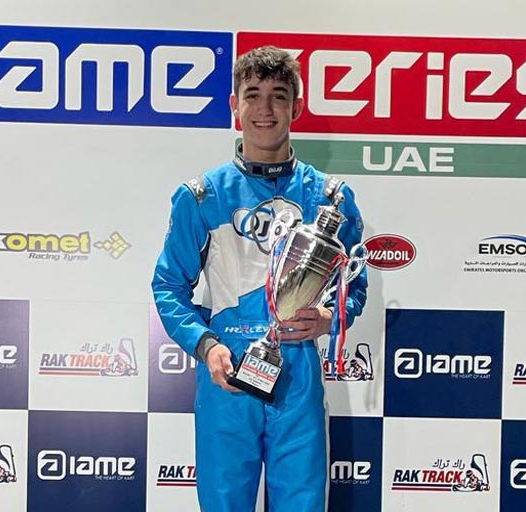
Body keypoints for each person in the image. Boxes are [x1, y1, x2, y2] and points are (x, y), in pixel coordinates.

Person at [152, 46, 367, 512]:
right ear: (235, 106)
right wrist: (206, 346)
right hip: (228, 373)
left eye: (278, 95)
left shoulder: (331, 197)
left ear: (297, 107)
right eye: (252, 95)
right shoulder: (201, 197)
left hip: (298, 372)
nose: (264, 109)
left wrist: (329, 317)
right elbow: (168, 287)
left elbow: (354, 283)